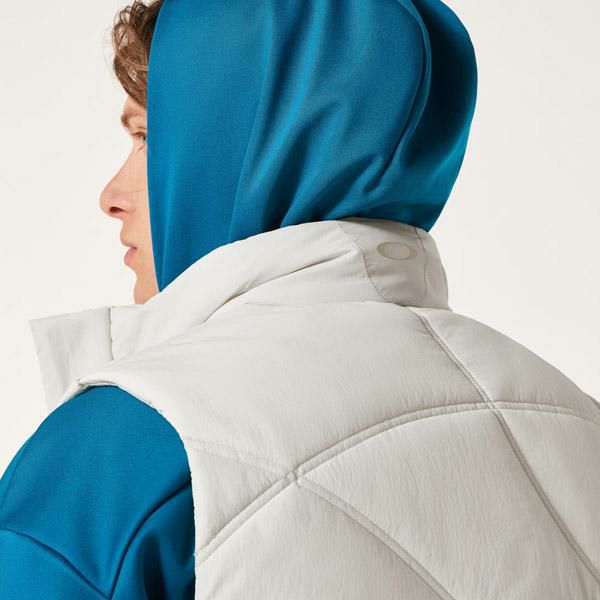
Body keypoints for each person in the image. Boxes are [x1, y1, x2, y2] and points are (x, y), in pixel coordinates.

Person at [2, 0, 600, 598]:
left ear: (235, 143)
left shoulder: (126, 452)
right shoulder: (578, 428)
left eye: (147, 137)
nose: (112, 195)